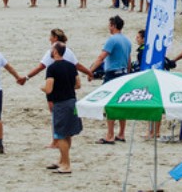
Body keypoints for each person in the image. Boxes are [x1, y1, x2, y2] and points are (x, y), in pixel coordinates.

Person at [18, 29, 92, 148]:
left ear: (55, 38)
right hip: (68, 85)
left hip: (54, 84)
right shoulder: (68, 51)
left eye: (51, 36)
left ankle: (55, 140)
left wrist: (26, 77)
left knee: (55, 113)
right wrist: (89, 72)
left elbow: (40, 67)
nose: (49, 38)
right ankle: (61, 138)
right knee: (64, 112)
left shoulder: (52, 52)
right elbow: (77, 66)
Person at [86, 15, 132, 144]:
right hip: (123, 73)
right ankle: (121, 133)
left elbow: (101, 57)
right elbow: (128, 60)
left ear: (113, 25)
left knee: (109, 104)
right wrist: (128, 74)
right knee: (121, 104)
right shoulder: (127, 41)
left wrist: (90, 71)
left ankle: (110, 135)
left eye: (109, 24)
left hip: (112, 74)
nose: (108, 27)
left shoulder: (112, 40)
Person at [42, 42, 82, 174]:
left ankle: (66, 164)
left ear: (55, 52)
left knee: (60, 135)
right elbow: (78, 85)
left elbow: (49, 89)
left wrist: (42, 88)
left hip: (61, 104)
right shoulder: (71, 66)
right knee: (68, 134)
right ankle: (62, 161)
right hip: (72, 101)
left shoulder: (52, 68)